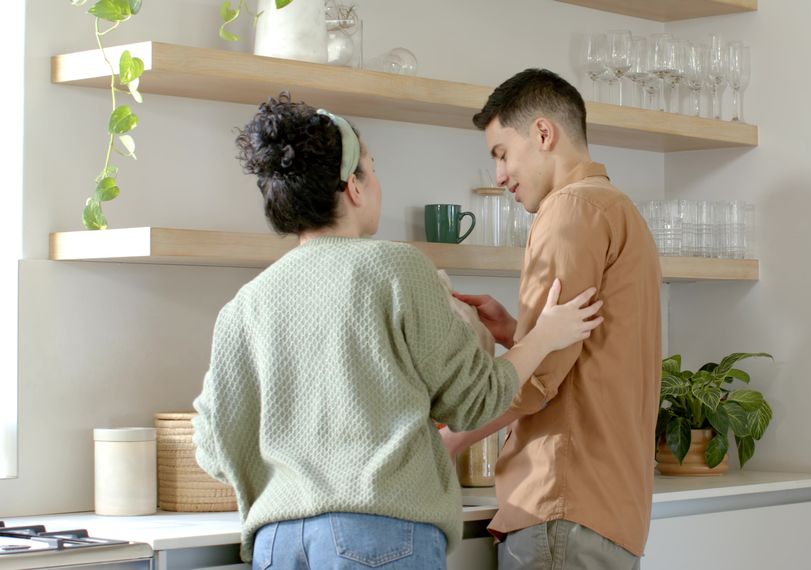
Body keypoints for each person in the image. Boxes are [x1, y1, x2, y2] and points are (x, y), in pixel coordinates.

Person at [190, 92, 603, 569]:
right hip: (378, 534)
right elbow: (475, 401)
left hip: (276, 545)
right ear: (354, 187)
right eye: (372, 166)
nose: (376, 180)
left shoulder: (246, 304)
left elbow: (213, 448)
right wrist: (544, 336)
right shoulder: (396, 268)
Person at [443, 69, 662, 569]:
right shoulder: (618, 209)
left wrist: (453, 437)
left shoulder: (568, 211)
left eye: (501, 153)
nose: (498, 176)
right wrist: (516, 334)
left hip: (562, 501)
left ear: (543, 134)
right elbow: (585, 353)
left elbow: (541, 380)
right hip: (608, 505)